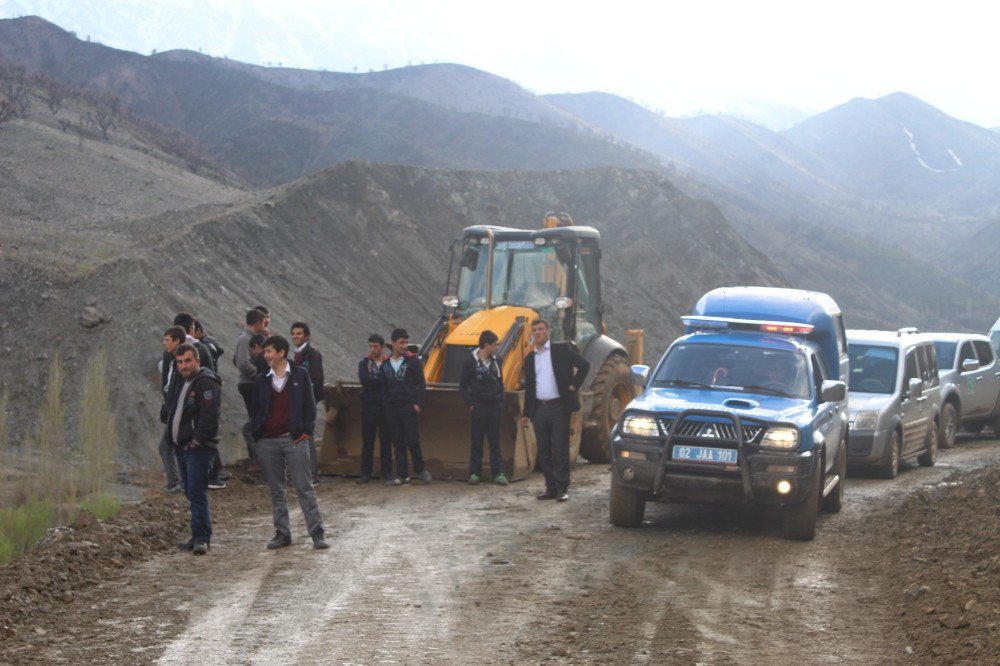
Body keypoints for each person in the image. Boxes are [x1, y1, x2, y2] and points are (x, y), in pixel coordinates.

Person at [249, 335, 329, 550]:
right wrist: (259, 434)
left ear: (281, 353)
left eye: (268, 351)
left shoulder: (300, 376)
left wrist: (304, 433)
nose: (265, 355)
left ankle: (317, 532)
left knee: (304, 487)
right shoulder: (261, 379)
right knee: (277, 489)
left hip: (294, 440)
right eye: (265, 352)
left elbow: (310, 408)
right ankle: (282, 533)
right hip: (268, 441)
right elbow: (256, 409)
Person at [520, 318, 590, 502]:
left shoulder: (561, 351)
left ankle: (562, 488)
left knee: (560, 449)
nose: (538, 332)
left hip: (559, 407)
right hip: (540, 409)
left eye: (541, 329)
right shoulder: (529, 358)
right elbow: (530, 388)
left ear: (548, 331)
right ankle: (550, 487)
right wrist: (526, 413)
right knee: (543, 451)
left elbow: (584, 366)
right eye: (534, 330)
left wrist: (574, 385)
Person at [166, 344, 222, 555]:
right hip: (184, 446)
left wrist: (196, 441)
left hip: (199, 448)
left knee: (197, 492)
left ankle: (201, 538)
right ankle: (197, 534)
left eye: (188, 361)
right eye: (180, 362)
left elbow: (209, 417)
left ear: (198, 361)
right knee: (191, 492)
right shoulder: (184, 381)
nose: (184, 366)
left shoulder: (205, 382)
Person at [382, 328, 431, 485]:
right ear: (393, 343)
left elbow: (421, 384)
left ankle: (420, 469)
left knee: (412, 440)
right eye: (402, 342)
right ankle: (403, 475)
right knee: (398, 442)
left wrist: (418, 404)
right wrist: (386, 406)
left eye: (406, 342)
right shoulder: (386, 364)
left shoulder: (413, 361)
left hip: (408, 407)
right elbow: (383, 387)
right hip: (392, 408)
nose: (405, 346)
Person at [460, 330, 507, 485]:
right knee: (477, 441)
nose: (498, 347)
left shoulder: (497, 361)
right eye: (495, 344)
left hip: (494, 407)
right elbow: (463, 385)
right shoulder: (469, 361)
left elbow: (501, 382)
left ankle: (498, 473)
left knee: (495, 441)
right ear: (487, 345)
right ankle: (475, 473)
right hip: (479, 407)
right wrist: (470, 403)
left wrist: (501, 401)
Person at [291, 322, 324, 482]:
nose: (295, 336)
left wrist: (307, 399)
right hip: (300, 400)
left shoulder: (312, 354)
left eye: (299, 334)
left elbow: (316, 379)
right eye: (294, 333)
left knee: (307, 434)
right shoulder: (298, 353)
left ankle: (313, 473)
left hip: (308, 401)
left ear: (306, 336)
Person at [357, 334, 392, 484]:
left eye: (375, 346)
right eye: (370, 346)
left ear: (382, 347)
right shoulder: (364, 363)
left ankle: (387, 472)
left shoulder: (389, 363)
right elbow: (365, 380)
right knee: (368, 441)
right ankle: (366, 473)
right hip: (369, 406)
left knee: (386, 441)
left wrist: (375, 381)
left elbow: (391, 382)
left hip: (385, 407)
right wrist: (380, 380)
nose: (372, 349)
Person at [234, 309, 267, 461]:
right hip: (250, 384)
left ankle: (259, 456)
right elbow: (242, 363)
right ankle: (257, 458)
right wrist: (261, 376)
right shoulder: (245, 339)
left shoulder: (252, 337)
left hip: (253, 383)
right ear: (258, 323)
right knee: (256, 420)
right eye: (263, 323)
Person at [158, 326, 186, 493]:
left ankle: (177, 483)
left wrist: (171, 409)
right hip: (173, 411)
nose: (165, 343)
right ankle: (177, 482)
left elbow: (178, 390)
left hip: (178, 412)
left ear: (177, 341)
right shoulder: (172, 360)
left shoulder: (181, 363)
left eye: (167, 340)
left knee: (166, 445)